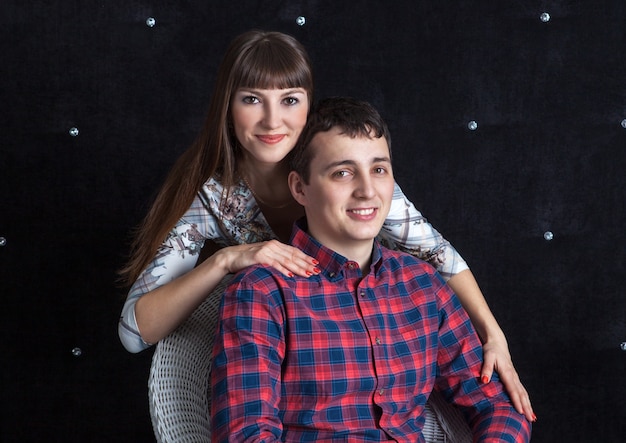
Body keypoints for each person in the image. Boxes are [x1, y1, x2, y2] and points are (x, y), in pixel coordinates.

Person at [117, 29, 534, 421]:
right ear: (227, 107)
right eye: (251, 99)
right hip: (284, 353)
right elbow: (134, 333)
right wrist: (227, 259)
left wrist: (493, 334)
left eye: (290, 100)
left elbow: (439, 254)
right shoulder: (212, 195)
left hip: (367, 337)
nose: (272, 121)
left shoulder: (354, 179)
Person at [210, 97, 532, 442]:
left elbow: (498, 405)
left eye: (378, 169)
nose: (366, 191)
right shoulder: (262, 292)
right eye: (343, 173)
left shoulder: (423, 286)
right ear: (299, 188)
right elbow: (245, 436)